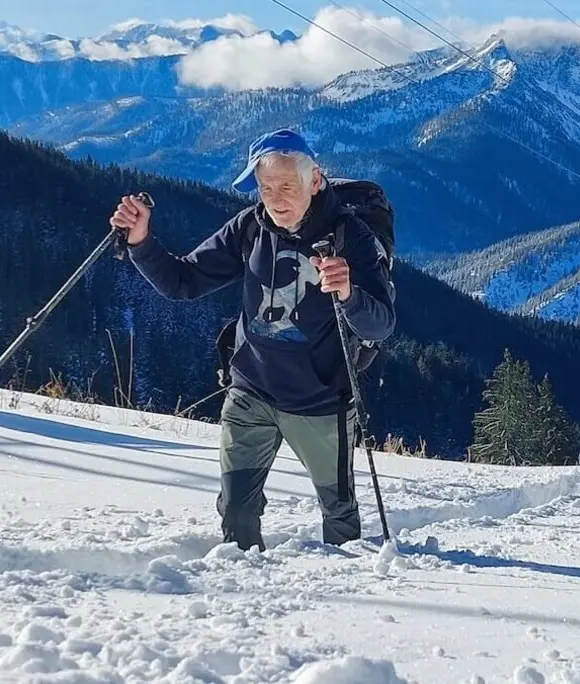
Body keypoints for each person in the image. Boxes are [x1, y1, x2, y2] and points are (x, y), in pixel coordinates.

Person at [108, 128, 396, 552]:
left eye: (286, 186)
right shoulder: (250, 227)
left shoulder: (350, 238)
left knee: (338, 513)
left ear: (315, 182)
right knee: (237, 511)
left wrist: (350, 293)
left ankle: (344, 592)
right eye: (265, 187)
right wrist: (140, 242)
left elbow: (382, 325)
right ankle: (241, 593)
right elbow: (183, 281)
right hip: (250, 392)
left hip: (319, 402)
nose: (275, 198)